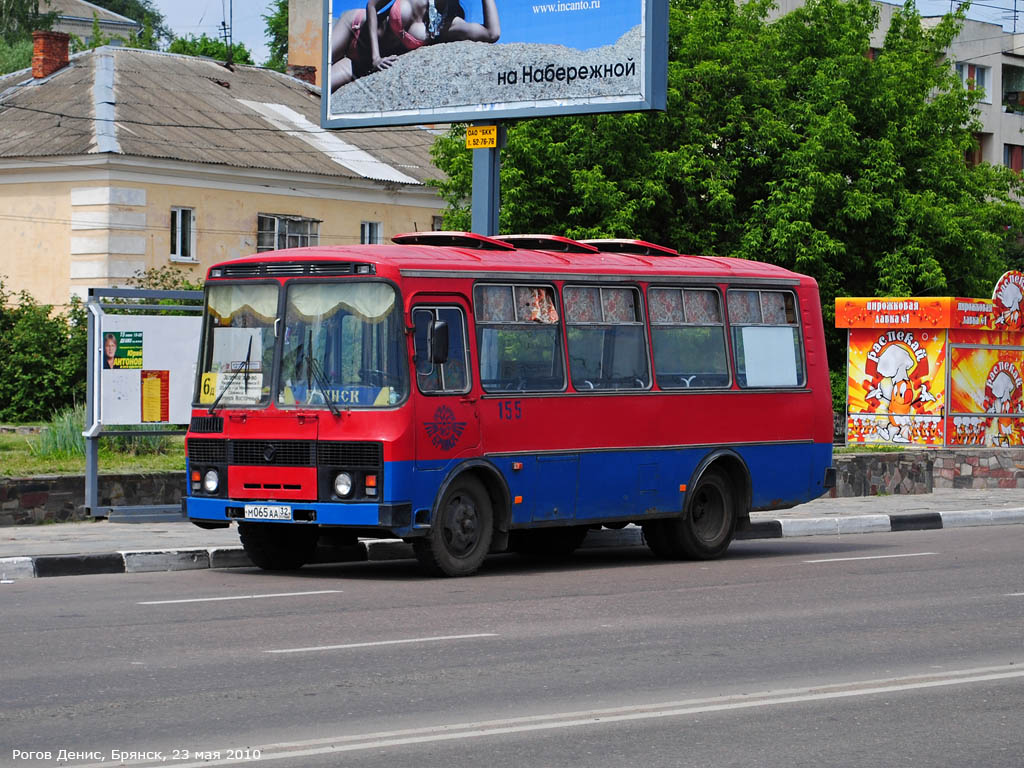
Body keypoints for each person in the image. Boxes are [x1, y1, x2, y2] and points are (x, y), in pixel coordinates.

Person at [331, 0, 500, 92]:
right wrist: (376, 57)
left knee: (322, 90)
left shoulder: (448, 25)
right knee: (316, 70)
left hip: (359, 64)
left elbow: (492, 34)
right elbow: (372, 6)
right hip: (353, 28)